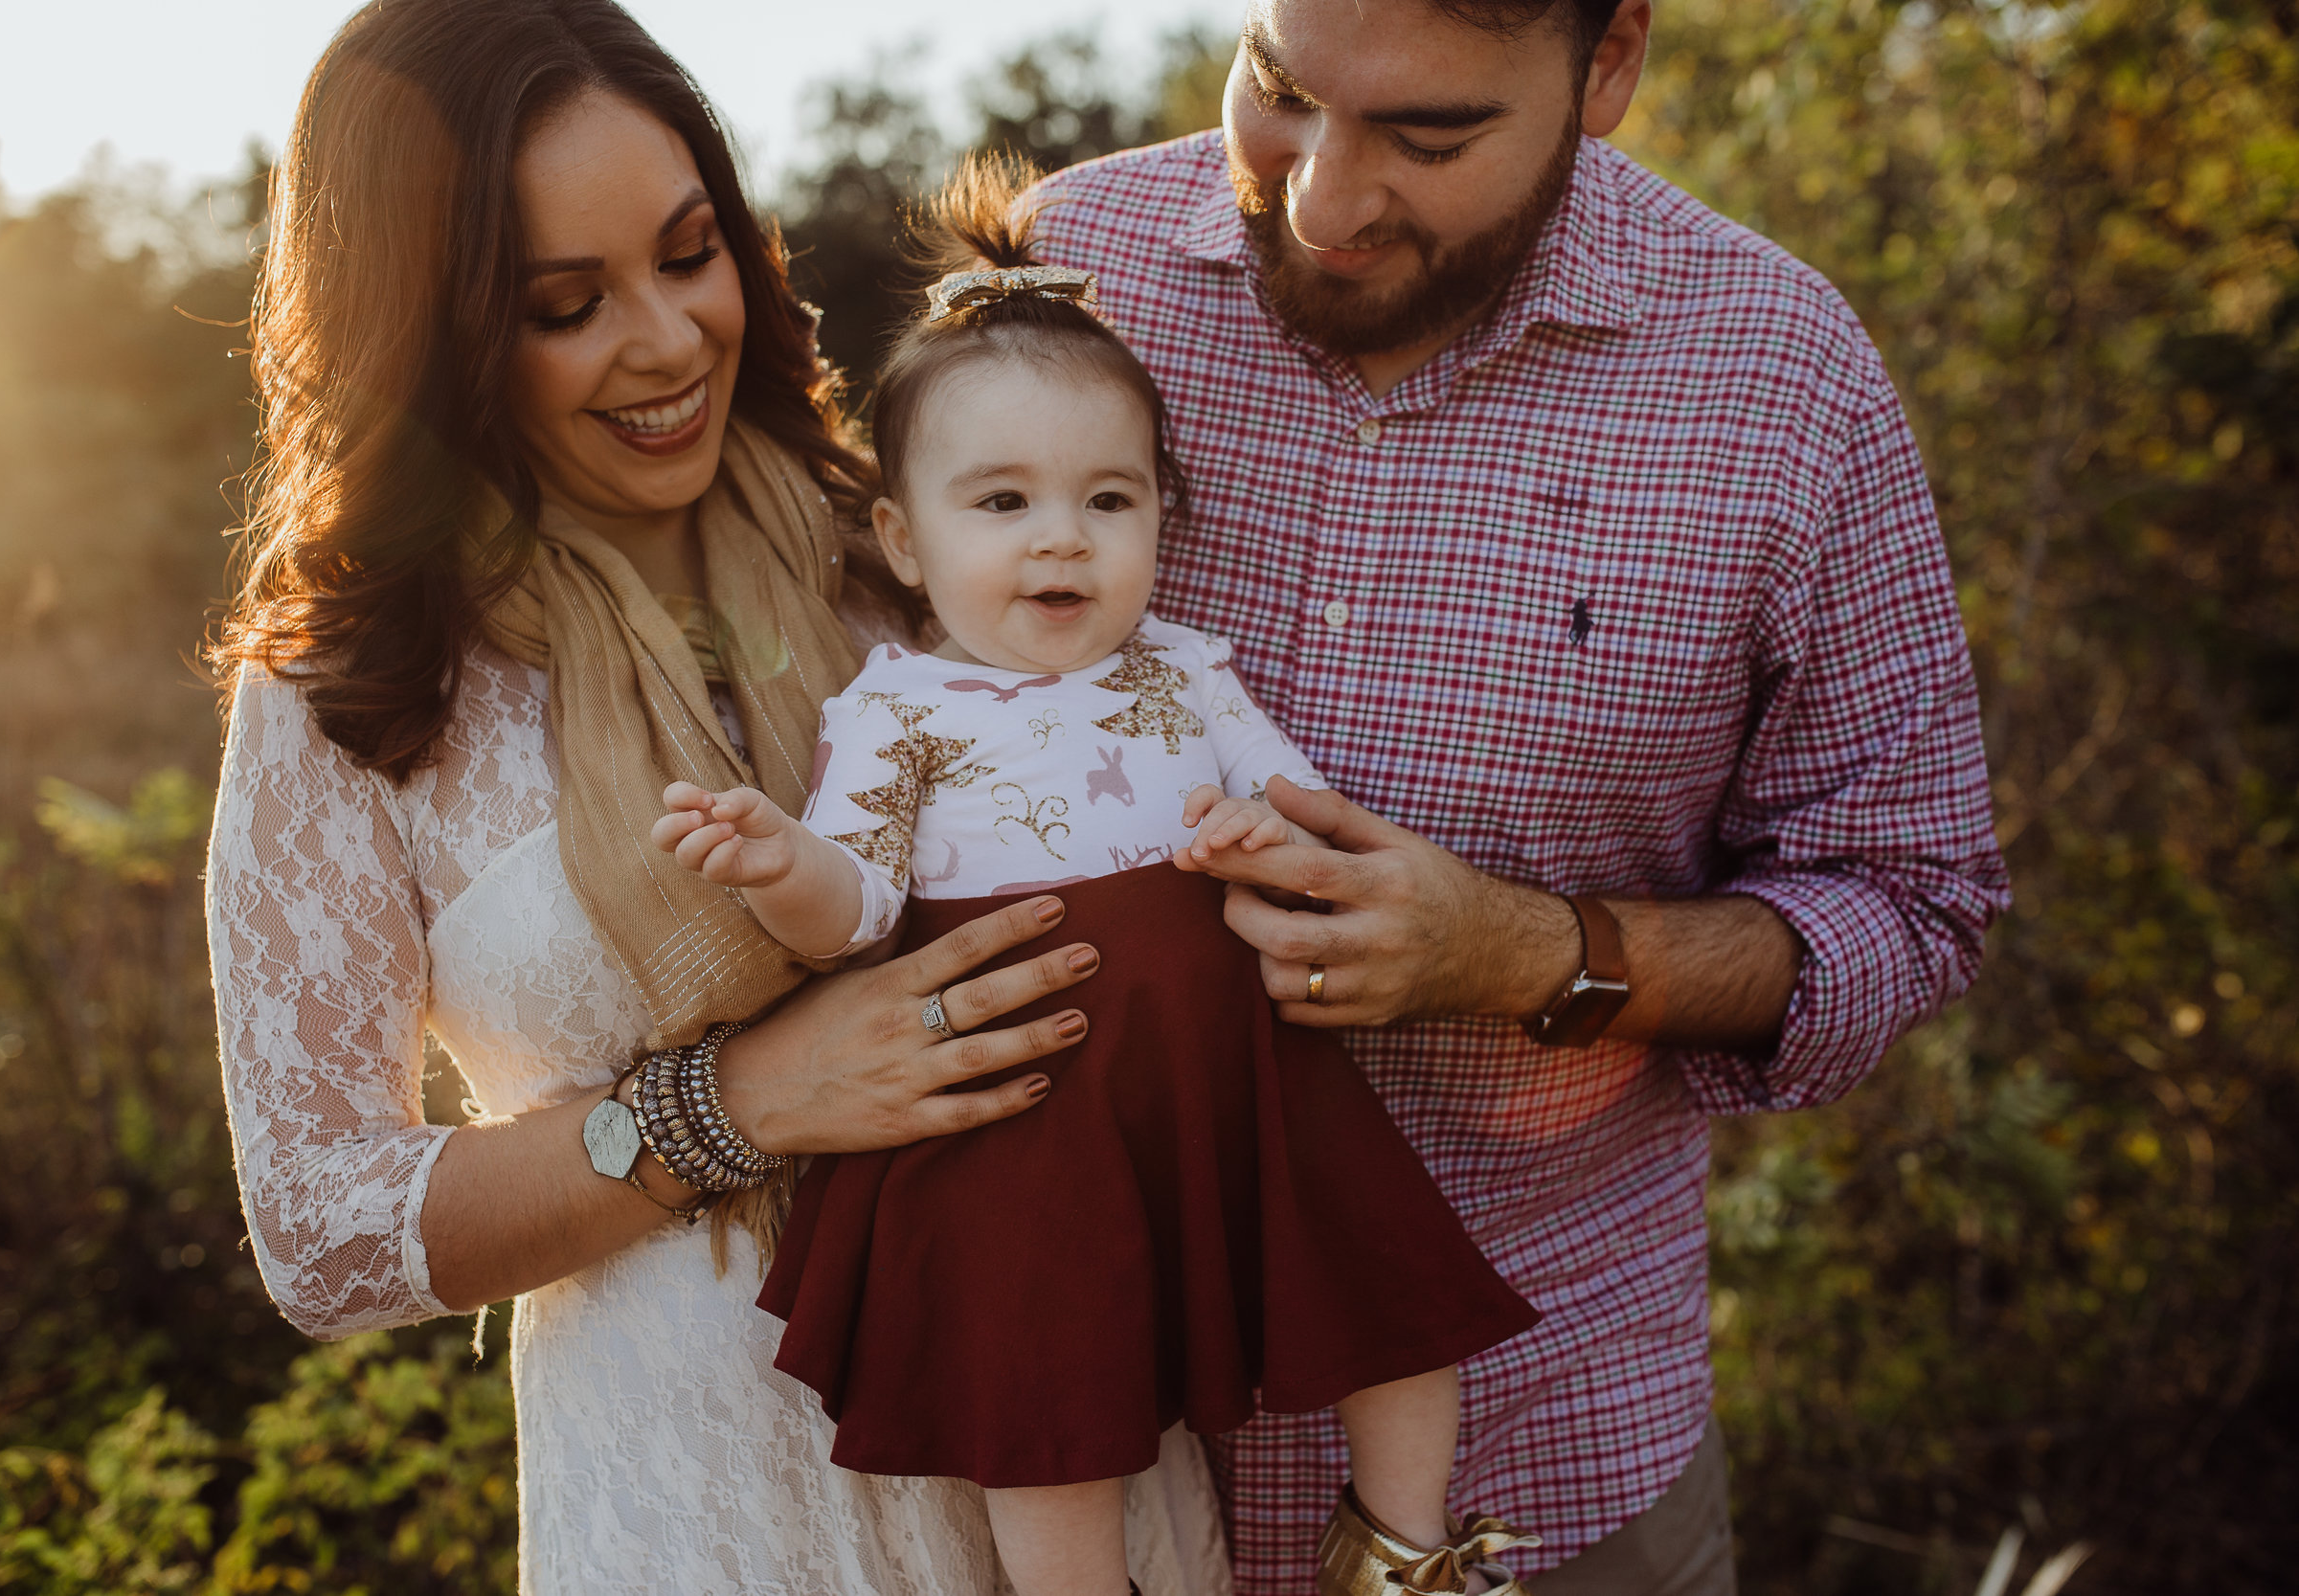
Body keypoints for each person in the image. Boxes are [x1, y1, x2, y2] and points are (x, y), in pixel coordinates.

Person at [203, 1, 1229, 1589]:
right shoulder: (354, 692)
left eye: (690, 256)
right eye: (567, 303)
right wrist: (730, 1105)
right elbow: (323, 1228)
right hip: (707, 1499)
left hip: (1061, 1443)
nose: (670, 339)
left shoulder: (903, 550)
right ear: (433, 327)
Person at [1027, 1, 2011, 1591]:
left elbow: (1915, 900)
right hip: (1071, 1478)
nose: (1323, 198)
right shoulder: (1071, 266)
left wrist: (1528, 955)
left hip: (1542, 1479)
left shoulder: (1783, 375)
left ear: (1607, 63)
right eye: (1278, 92)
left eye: (1430, 138)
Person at [649, 160, 1542, 1596]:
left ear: (1158, 522)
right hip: (1031, 1110)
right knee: (1049, 1407)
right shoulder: (902, 710)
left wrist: (1273, 845)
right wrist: (778, 864)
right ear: (904, 540)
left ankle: (1405, 1551)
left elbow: (1307, 813)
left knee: (1396, 1302)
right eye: (1001, 501)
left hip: (1226, 1076)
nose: (1061, 535)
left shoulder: (1185, 671)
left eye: (1107, 498)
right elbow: (857, 914)